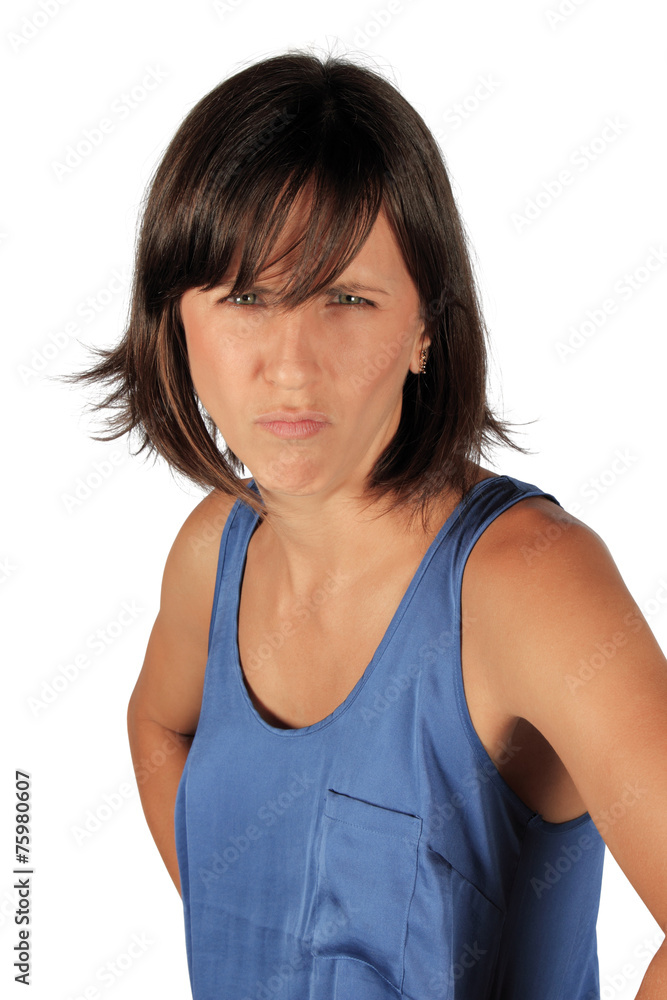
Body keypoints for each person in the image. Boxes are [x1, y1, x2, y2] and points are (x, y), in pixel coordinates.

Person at [67, 49, 667, 1000]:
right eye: (244, 298)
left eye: (345, 298)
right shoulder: (214, 550)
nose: (291, 365)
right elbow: (157, 724)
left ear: (425, 325)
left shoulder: (527, 580)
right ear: (176, 322)